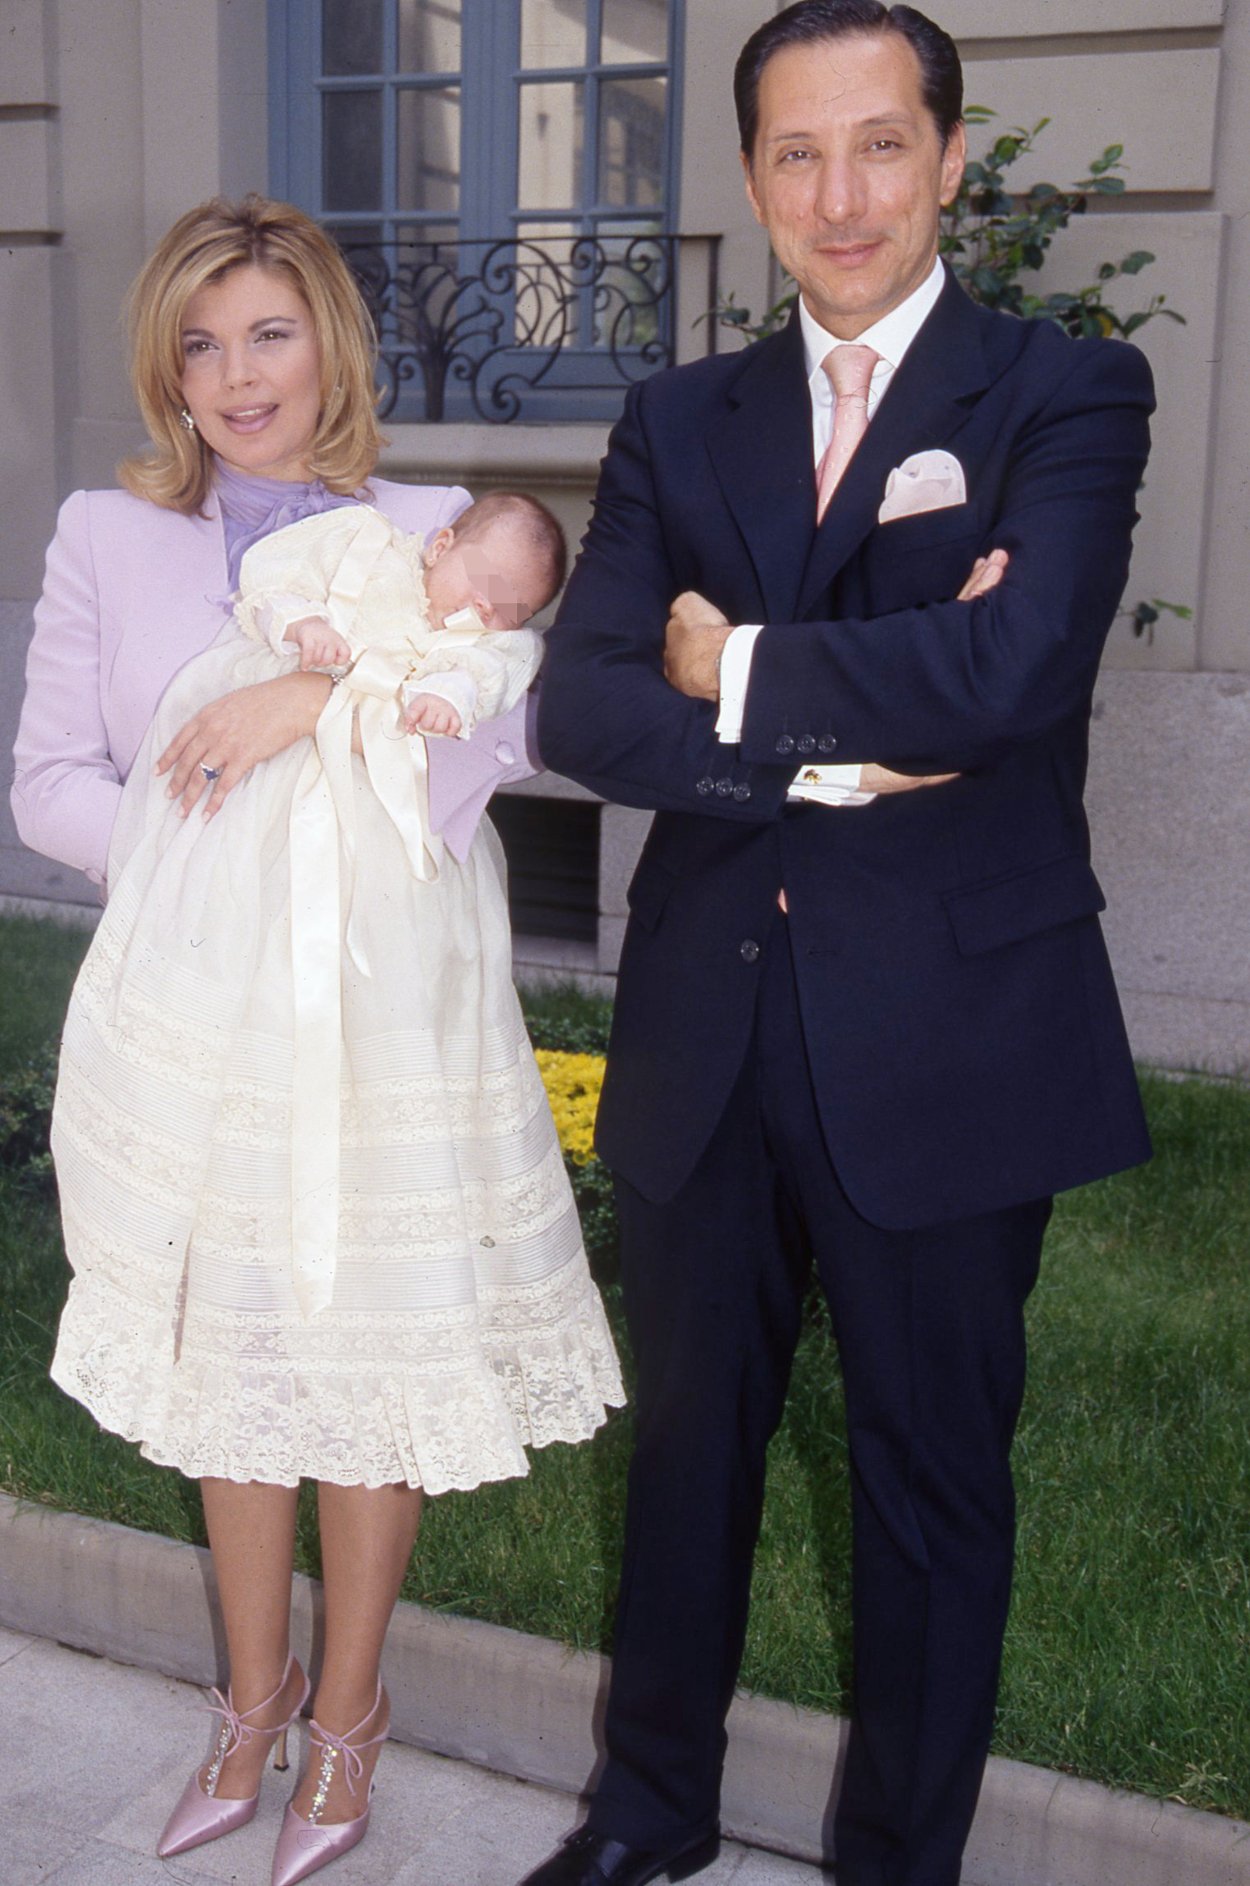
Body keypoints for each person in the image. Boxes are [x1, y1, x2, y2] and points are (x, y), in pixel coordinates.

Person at [523, 5, 1154, 1885]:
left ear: (952, 158)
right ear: (748, 183)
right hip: (708, 1020)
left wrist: (742, 669)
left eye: (881, 145)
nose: (840, 194)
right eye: (796, 155)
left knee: (930, 1480)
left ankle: (900, 1859)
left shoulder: (1064, 390)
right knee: (687, 1457)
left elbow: (1016, 667)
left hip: (955, 1028)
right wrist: (843, 743)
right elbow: (580, 714)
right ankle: (647, 1814)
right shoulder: (671, 419)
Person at [12, 192, 622, 1886]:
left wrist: (314, 701)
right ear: (165, 366)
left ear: (332, 340)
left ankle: (345, 1721)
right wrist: (223, 815)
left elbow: (494, 747)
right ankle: (248, 1694)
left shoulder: (449, 529)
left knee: (363, 1362)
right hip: (193, 1014)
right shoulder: (103, 531)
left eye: (267, 332)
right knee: (223, 1366)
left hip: (385, 1031)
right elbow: (46, 781)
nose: (234, 374)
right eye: (198, 344)